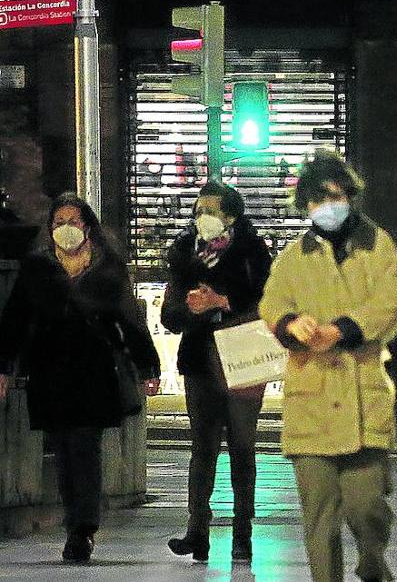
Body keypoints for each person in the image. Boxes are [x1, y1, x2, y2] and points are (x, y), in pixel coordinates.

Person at [258, 150, 397, 582]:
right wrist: (291, 324)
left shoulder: (378, 246)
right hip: (311, 400)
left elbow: (389, 301)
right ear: (305, 205)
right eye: (319, 200)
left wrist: (343, 330)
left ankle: (373, 560)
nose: (329, 207)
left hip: (363, 396)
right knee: (319, 519)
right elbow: (272, 303)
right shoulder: (292, 257)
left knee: (367, 508)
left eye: (337, 197)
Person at [0, 193, 161, 564]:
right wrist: (5, 365)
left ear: (87, 226)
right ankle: (75, 519)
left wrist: (147, 367)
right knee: (63, 450)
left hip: (94, 371)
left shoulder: (108, 270)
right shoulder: (37, 270)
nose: (65, 230)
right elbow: (15, 320)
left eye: (73, 222)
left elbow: (130, 322)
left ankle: (82, 529)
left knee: (85, 449)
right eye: (58, 223)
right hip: (50, 371)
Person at [162, 181, 273, 563]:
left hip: (242, 359)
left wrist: (222, 301)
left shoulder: (252, 251)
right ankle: (198, 531)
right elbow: (169, 314)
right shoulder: (182, 255)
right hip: (199, 360)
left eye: (211, 211)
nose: (202, 218)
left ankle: (243, 533)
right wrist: (192, 310)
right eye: (197, 211)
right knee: (202, 447)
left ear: (231, 216)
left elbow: (267, 298)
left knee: (242, 446)